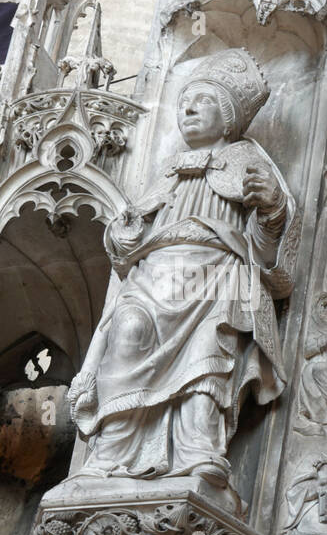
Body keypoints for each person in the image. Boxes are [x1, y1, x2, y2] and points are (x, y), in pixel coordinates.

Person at [68, 49, 293, 498]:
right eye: (183, 101)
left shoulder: (250, 163)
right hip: (155, 274)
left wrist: (271, 208)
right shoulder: (166, 169)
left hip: (216, 273)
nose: (186, 109)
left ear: (229, 118)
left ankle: (198, 448)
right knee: (127, 332)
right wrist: (127, 233)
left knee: (208, 354)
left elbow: (271, 253)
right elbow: (127, 248)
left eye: (202, 101)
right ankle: (112, 452)